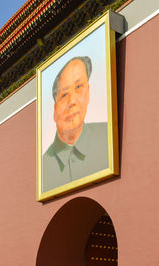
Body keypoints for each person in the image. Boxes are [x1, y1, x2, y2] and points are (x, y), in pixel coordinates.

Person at [42, 56, 108, 192]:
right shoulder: (43, 167)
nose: (72, 101)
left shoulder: (108, 136)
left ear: (88, 92)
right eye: (64, 95)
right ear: (54, 111)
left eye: (79, 87)